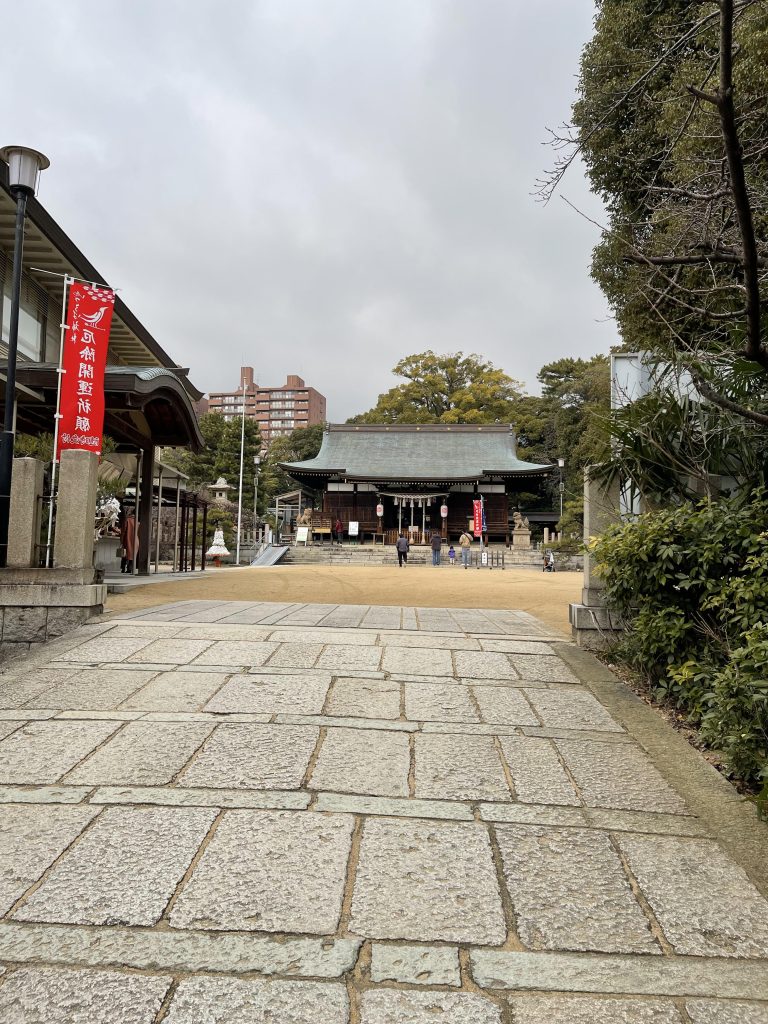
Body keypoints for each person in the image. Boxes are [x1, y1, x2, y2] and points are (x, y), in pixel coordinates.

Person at [120, 507, 138, 574]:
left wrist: (121, 539)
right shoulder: (137, 521)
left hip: (127, 539)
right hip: (135, 540)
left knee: (124, 554)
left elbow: (123, 530)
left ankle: (123, 568)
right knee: (132, 555)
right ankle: (130, 568)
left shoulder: (127, 520)